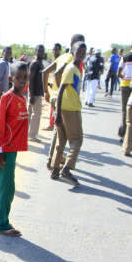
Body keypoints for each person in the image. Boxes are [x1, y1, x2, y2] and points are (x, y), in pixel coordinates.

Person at [0, 62, 29, 236]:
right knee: (6, 187)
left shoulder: (22, 97)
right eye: (18, 77)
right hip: (4, 149)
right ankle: (2, 224)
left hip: (12, 149)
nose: (22, 80)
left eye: (25, 77)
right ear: (11, 78)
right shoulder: (7, 97)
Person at [43, 34, 85, 170]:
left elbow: (45, 72)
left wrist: (47, 91)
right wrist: (64, 88)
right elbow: (57, 74)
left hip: (56, 97)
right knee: (60, 134)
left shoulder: (61, 57)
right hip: (63, 99)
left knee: (59, 131)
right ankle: (53, 161)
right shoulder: (71, 59)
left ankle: (53, 162)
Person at [51, 41, 86, 186]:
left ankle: (55, 170)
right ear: (73, 52)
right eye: (79, 52)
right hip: (70, 108)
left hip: (67, 107)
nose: (82, 55)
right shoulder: (71, 68)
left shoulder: (74, 68)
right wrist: (58, 113)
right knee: (77, 140)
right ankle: (66, 169)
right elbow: (61, 90)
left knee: (62, 141)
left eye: (84, 53)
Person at [28, 45, 45, 141]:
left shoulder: (40, 63)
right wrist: (32, 95)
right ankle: (32, 135)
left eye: (42, 51)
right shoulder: (35, 64)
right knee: (36, 115)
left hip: (38, 93)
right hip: (35, 94)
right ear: (36, 51)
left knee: (31, 114)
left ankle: (29, 134)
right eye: (39, 51)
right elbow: (30, 80)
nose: (41, 53)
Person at [43, 43, 62, 131]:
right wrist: (51, 85)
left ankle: (52, 125)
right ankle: (53, 124)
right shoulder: (56, 60)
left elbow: (46, 72)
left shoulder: (60, 61)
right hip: (54, 89)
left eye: (56, 49)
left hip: (58, 91)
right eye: (53, 49)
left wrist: (46, 90)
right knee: (53, 109)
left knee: (54, 109)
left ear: (60, 50)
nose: (54, 51)